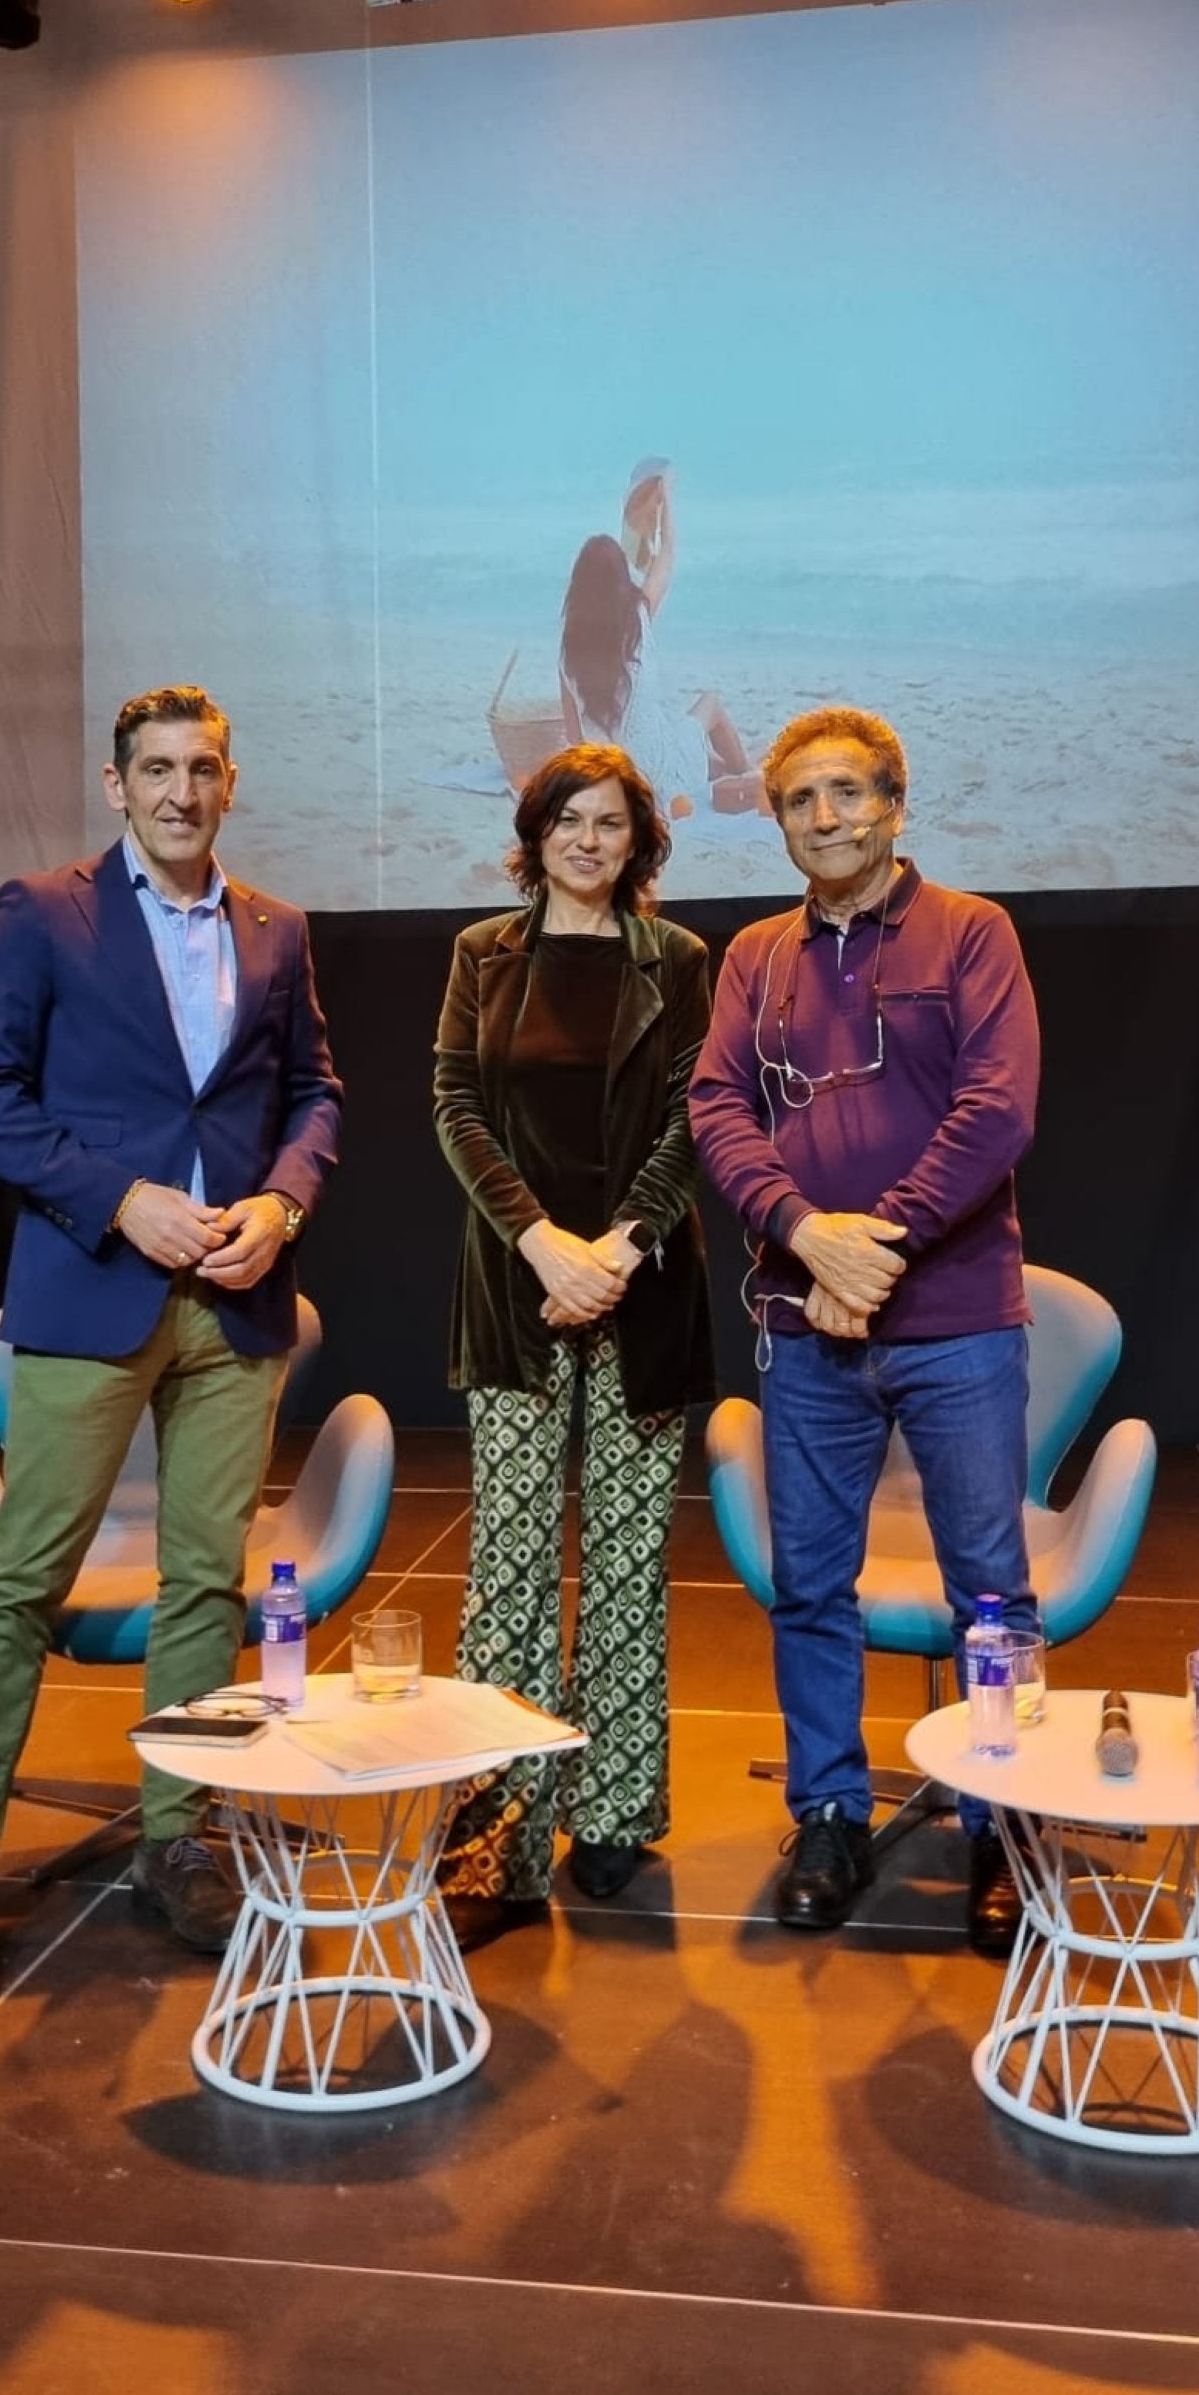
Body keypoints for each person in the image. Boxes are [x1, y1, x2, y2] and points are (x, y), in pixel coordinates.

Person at [0, 684, 342, 2013]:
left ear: (229, 781)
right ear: (117, 786)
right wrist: (116, 1197)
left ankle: (176, 1842)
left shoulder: (278, 928)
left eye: (201, 768)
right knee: (24, 1582)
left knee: (206, 1584)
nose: (179, 791)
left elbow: (317, 1092)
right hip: (95, 1294)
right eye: (154, 769)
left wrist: (280, 1202)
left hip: (236, 1305)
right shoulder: (46, 913)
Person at [688, 704, 1040, 1957]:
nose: (824, 818)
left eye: (845, 794)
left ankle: (1008, 1831)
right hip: (806, 1325)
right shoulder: (752, 960)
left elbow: (994, 1114)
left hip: (953, 1325)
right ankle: (828, 1813)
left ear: (894, 803)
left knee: (988, 1593)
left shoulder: (971, 933)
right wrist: (800, 1231)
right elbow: (716, 1106)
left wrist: (865, 1246)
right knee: (809, 1589)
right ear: (773, 818)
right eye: (798, 801)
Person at [433, 743, 713, 1944]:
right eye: (568, 821)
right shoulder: (479, 956)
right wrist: (543, 1245)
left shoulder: (680, 961)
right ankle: (496, 1825)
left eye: (611, 824)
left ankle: (607, 1809)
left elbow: (696, 1115)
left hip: (640, 1296)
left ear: (638, 842)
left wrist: (617, 1248)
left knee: (623, 1569)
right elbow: (454, 1106)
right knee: (505, 1566)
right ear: (534, 833)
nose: (589, 842)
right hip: (516, 1291)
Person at [559, 494, 767, 816]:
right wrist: (666, 498)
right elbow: (667, 552)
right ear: (620, 580)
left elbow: (575, 738)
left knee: (680, 736)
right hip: (657, 774)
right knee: (709, 704)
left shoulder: (568, 654)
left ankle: (727, 769)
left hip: (619, 782)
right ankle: (746, 773)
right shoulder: (635, 623)